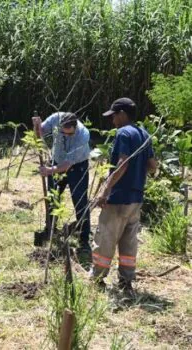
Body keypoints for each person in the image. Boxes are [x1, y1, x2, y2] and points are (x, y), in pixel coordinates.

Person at [92, 98, 158, 297]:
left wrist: (105, 191)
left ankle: (97, 278)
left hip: (118, 197)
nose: (112, 121)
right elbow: (153, 165)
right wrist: (138, 176)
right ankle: (126, 280)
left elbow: (122, 164)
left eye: (113, 116)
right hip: (136, 198)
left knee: (106, 237)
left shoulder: (123, 133)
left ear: (122, 114)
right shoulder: (144, 134)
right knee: (129, 241)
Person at [32, 112, 92, 254]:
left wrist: (48, 170)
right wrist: (36, 126)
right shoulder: (55, 118)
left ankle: (84, 240)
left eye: (69, 134)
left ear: (75, 127)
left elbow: (67, 165)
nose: (66, 136)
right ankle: (50, 231)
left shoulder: (83, 135)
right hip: (57, 161)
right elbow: (39, 134)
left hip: (77, 166)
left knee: (80, 201)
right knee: (53, 199)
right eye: (62, 133)